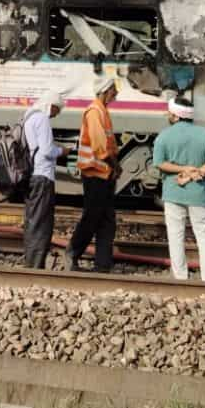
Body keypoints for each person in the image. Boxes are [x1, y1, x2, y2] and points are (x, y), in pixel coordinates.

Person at [153, 97, 205, 282]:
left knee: (175, 236)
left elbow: (159, 163)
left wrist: (183, 170)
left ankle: (180, 277)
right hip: (200, 193)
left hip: (173, 192)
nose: (167, 115)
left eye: (169, 113)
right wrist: (194, 172)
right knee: (204, 236)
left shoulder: (163, 136)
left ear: (175, 116)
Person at [66, 75, 119, 272]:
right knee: (92, 217)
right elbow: (100, 147)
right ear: (106, 90)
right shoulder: (95, 112)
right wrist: (115, 164)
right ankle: (72, 253)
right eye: (114, 89)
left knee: (106, 220)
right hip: (95, 173)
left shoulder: (102, 111)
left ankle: (103, 264)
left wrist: (114, 166)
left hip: (104, 173)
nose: (116, 93)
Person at [21, 90, 69, 269]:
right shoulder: (41, 119)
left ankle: (32, 261)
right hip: (42, 176)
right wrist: (62, 151)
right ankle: (35, 265)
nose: (57, 114)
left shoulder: (29, 116)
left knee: (33, 220)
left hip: (32, 175)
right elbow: (47, 151)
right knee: (42, 222)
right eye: (57, 110)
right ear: (51, 105)